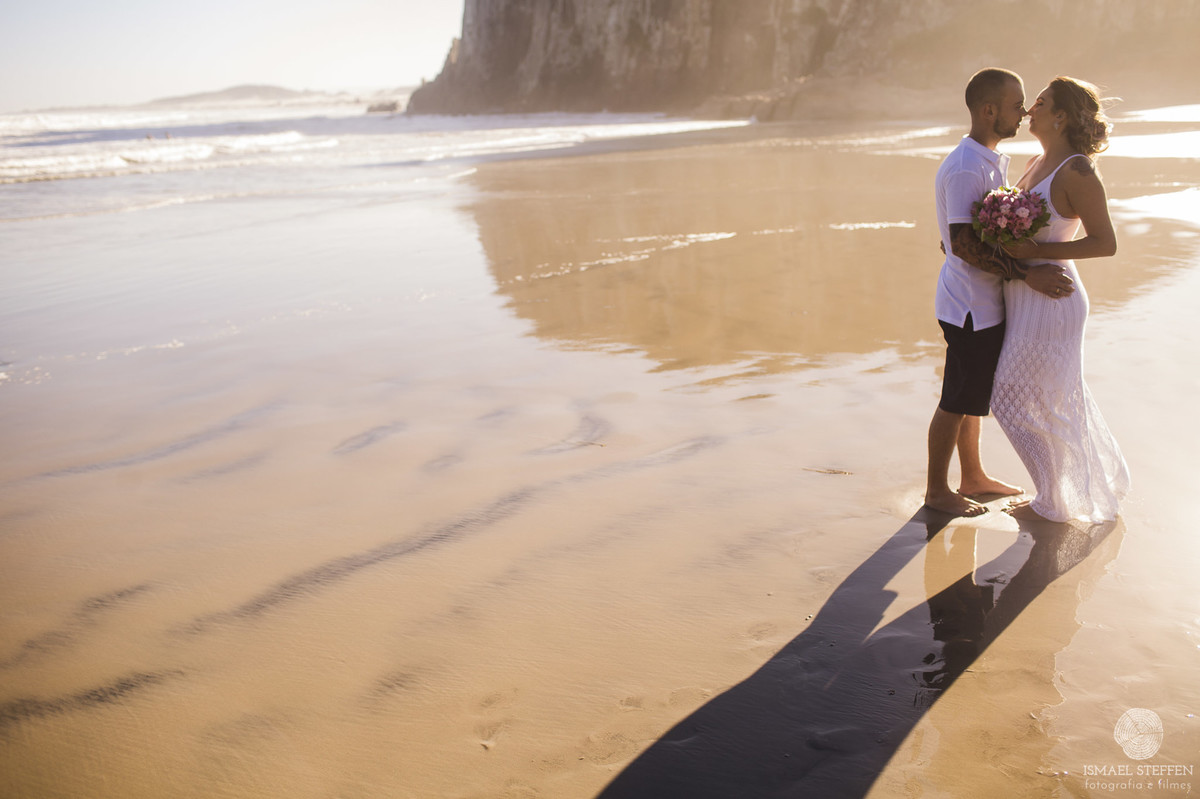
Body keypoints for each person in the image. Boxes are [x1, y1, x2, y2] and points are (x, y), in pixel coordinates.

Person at [926, 68, 1075, 518]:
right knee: (956, 399)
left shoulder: (990, 159)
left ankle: (972, 476)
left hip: (985, 301)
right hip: (969, 305)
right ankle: (937, 490)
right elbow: (965, 244)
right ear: (989, 110)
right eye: (1017, 105)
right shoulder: (968, 166)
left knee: (972, 397)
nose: (1025, 111)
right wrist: (1026, 275)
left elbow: (965, 236)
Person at [992, 77, 1131, 522]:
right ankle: (1057, 492)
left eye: (1041, 102)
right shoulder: (1035, 161)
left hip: (1055, 297)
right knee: (1044, 400)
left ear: (1062, 116)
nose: (1031, 107)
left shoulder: (1077, 170)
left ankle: (1055, 499)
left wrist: (1038, 253)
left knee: (1010, 397)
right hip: (1024, 294)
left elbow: (1105, 242)